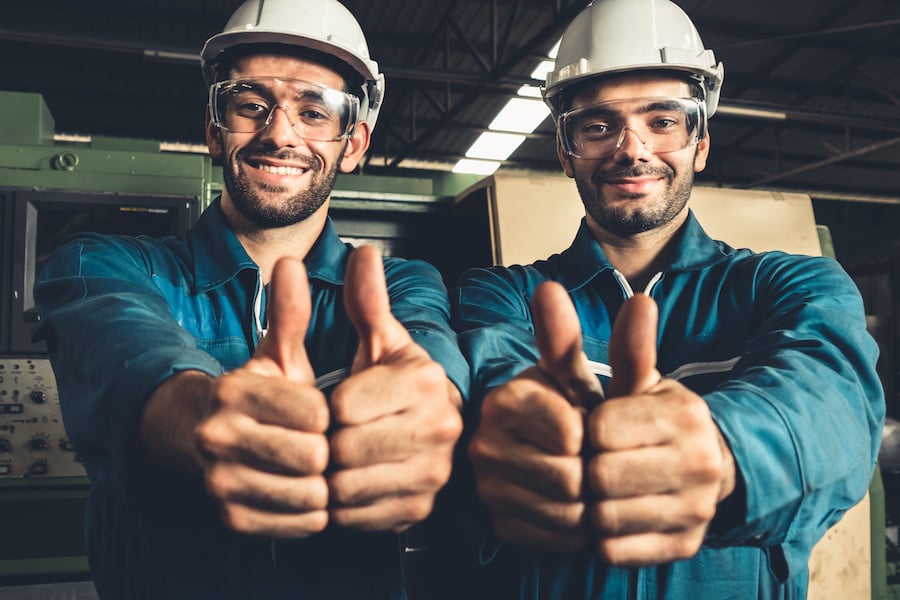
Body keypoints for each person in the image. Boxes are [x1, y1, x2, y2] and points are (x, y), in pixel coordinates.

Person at [32, 0, 469, 598]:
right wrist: (203, 417)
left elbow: (428, 350)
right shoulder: (106, 266)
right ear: (215, 129)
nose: (280, 133)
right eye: (251, 104)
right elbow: (128, 354)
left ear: (355, 142)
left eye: (314, 111)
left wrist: (426, 405)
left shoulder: (400, 286)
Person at [450, 0, 886, 598]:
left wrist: (722, 452)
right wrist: (530, 433)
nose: (632, 149)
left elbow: (830, 406)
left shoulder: (795, 286)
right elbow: (493, 378)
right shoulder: (503, 295)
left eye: (663, 121)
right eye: (598, 126)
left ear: (699, 144)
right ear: (565, 150)